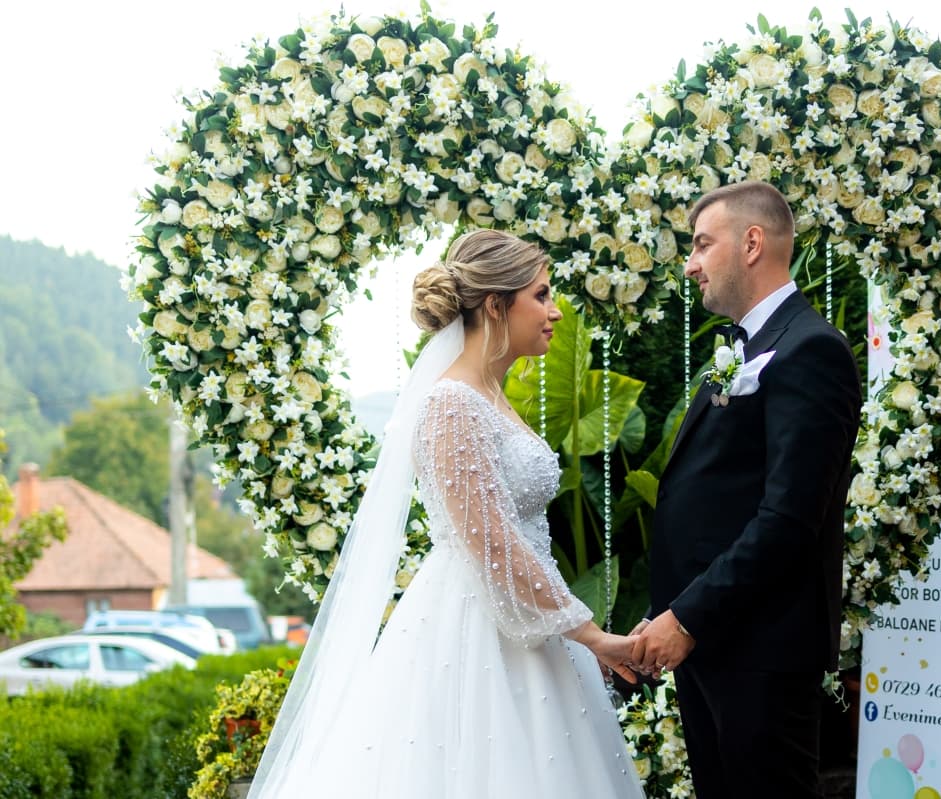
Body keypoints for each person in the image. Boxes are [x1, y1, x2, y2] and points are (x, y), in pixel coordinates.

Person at [249, 229, 644, 798]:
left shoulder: (490, 395)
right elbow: (490, 540)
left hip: (529, 618)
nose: (555, 311)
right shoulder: (452, 403)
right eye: (541, 295)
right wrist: (587, 632)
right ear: (496, 305)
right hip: (475, 630)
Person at [630, 181, 863, 798]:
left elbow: (788, 519)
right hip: (715, 643)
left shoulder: (811, 349)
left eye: (702, 244)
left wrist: (687, 617)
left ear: (752, 243)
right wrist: (671, 612)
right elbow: (716, 498)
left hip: (762, 653)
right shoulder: (748, 346)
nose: (691, 263)